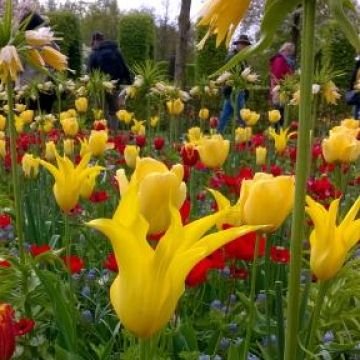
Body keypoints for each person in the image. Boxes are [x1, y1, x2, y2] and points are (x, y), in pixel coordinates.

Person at [87, 31, 132, 131]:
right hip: (115, 85)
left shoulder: (95, 53)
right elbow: (125, 68)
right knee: (114, 110)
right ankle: (114, 133)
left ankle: (102, 133)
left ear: (94, 41)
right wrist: (130, 83)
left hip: (99, 86)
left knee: (100, 110)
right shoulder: (116, 51)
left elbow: (89, 70)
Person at [17, 11, 58, 114]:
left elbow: (18, 68)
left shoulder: (24, 44)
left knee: (26, 124)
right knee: (45, 124)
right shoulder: (50, 42)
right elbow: (57, 63)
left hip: (27, 90)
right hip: (47, 88)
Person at [217, 34, 251, 134]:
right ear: (238, 45)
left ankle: (218, 134)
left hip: (236, 90)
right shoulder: (232, 57)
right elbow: (227, 73)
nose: (244, 47)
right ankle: (245, 137)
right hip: (234, 89)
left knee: (225, 114)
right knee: (242, 114)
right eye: (242, 45)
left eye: (246, 45)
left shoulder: (243, 58)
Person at [269, 42, 296, 126]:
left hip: (284, 88)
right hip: (279, 88)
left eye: (291, 51)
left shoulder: (288, 61)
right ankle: (278, 131)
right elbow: (276, 75)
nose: (289, 52)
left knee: (282, 110)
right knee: (279, 110)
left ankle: (280, 130)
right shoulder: (279, 59)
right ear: (282, 50)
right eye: (287, 50)